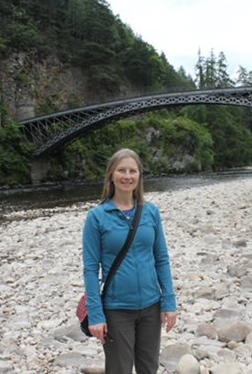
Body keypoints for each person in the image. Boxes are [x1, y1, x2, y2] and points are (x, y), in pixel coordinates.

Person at [82, 148, 178, 374]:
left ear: (139, 176)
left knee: (149, 369)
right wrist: (96, 314)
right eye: (121, 170)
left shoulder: (150, 212)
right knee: (119, 370)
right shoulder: (97, 217)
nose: (127, 176)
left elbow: (161, 259)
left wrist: (169, 302)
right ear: (111, 175)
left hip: (151, 307)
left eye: (132, 171)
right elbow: (90, 269)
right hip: (117, 310)